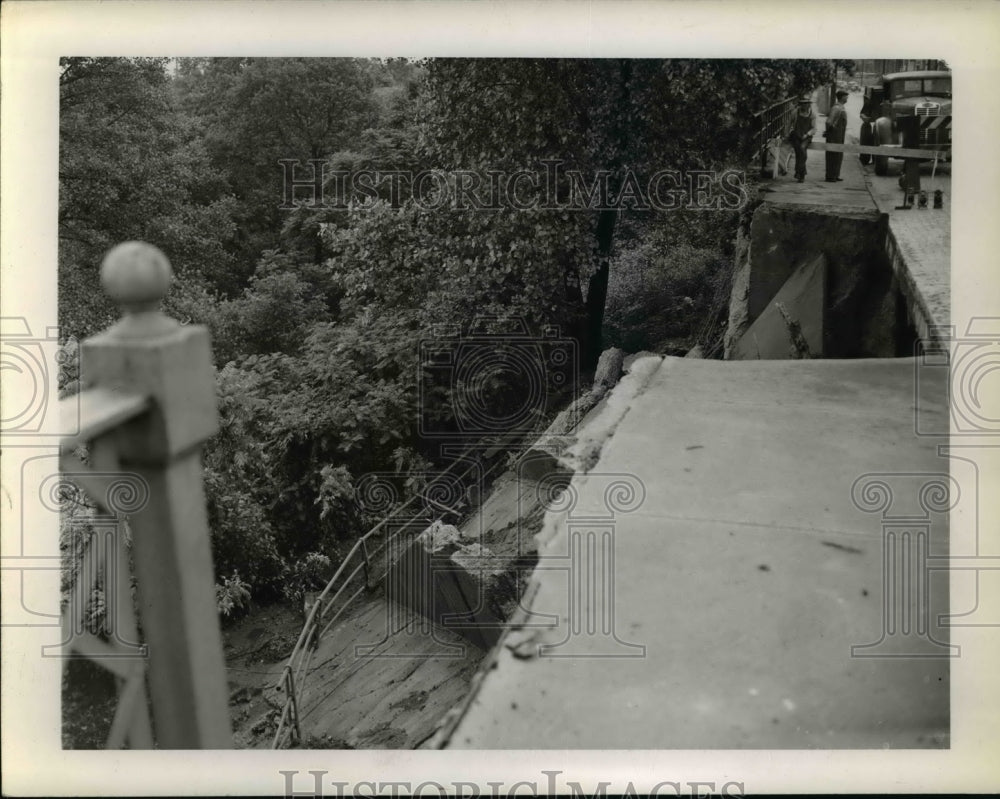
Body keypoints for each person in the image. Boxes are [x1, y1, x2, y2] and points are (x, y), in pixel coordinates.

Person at [789, 95, 817, 182]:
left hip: (806, 137)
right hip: (796, 135)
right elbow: (789, 124)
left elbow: (814, 128)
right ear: (800, 104)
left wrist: (807, 134)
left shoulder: (812, 114)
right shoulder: (795, 112)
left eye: (807, 104)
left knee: (802, 149)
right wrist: (787, 134)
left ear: (809, 105)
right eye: (803, 104)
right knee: (799, 153)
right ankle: (802, 174)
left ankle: (798, 172)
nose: (805, 106)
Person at [824, 89, 849, 181]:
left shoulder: (841, 107)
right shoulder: (836, 108)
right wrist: (830, 133)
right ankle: (830, 176)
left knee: (838, 155)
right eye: (846, 96)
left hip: (840, 135)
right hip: (834, 136)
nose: (847, 98)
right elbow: (828, 122)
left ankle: (835, 175)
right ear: (842, 97)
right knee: (832, 155)